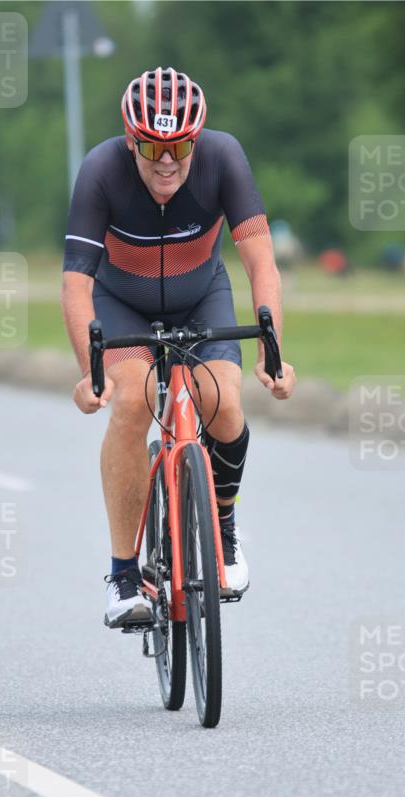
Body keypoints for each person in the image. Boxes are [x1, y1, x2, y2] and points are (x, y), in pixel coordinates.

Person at [61, 67, 295, 628]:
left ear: (197, 139)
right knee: (134, 399)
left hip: (201, 297)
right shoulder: (100, 170)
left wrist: (272, 351)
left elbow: (261, 262)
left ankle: (224, 527)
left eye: (180, 147)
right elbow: (76, 284)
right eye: (151, 147)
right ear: (130, 141)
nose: (166, 161)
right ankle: (123, 577)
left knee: (223, 402)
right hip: (123, 303)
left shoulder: (224, 157)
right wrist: (91, 372)